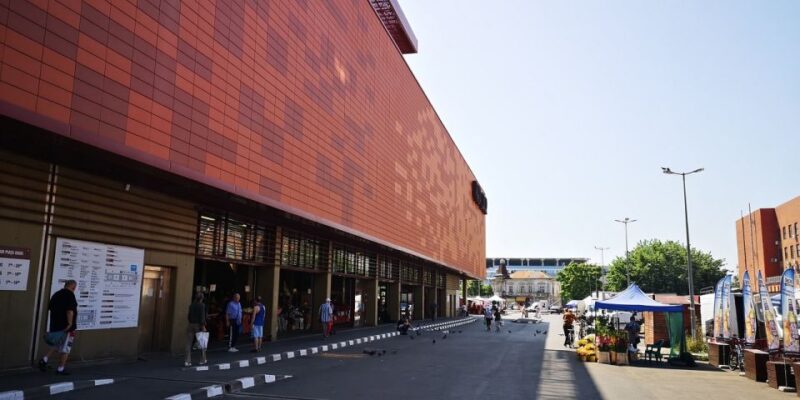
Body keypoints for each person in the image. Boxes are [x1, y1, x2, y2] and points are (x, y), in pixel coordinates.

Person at [39, 280, 78, 375]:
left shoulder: (56, 294)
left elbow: (50, 308)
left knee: (57, 343)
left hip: (55, 325)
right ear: (73, 287)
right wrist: (69, 324)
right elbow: (70, 311)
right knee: (66, 347)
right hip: (66, 327)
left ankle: (44, 359)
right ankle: (61, 368)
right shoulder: (70, 295)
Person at [186, 292, 208, 366]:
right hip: (198, 325)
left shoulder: (191, 305)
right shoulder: (202, 305)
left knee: (189, 343)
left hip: (190, 324)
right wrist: (203, 325)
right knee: (202, 342)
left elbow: (188, 316)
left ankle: (187, 361)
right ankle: (202, 359)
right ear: (202, 298)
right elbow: (202, 317)